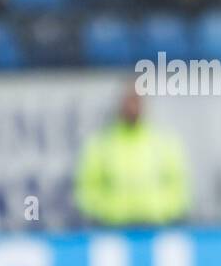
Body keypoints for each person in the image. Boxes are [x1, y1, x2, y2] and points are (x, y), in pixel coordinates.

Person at [74, 89, 190, 227]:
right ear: (120, 105)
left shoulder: (163, 142)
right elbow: (86, 191)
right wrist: (111, 212)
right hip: (113, 231)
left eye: (136, 101)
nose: (132, 107)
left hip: (156, 228)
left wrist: (159, 211)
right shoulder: (101, 144)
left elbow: (180, 187)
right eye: (129, 101)